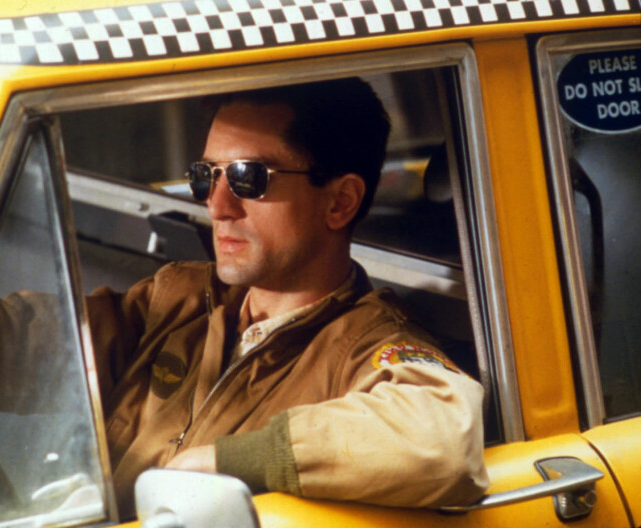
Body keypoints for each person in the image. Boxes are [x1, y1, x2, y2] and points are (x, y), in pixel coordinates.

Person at [85, 78, 489, 518]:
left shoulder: (365, 346)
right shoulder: (175, 297)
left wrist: (229, 461)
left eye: (247, 177)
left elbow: (445, 436)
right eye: (206, 176)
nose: (216, 206)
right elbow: (47, 342)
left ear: (340, 202)